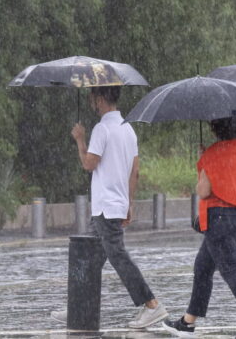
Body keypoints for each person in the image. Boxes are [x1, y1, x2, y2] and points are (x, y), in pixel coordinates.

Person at [51, 86, 168, 329]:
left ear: (101, 99)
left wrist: (80, 139)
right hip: (114, 205)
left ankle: (152, 304)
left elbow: (88, 163)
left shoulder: (102, 128)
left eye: (93, 97)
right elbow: (134, 171)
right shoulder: (128, 129)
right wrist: (129, 203)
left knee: (118, 257)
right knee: (88, 258)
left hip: (105, 206)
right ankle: (77, 306)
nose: (91, 102)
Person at [163, 116, 236, 339]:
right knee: (203, 267)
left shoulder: (213, 153)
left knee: (231, 270)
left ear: (215, 127)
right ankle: (188, 322)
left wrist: (205, 163)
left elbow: (203, 191)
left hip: (220, 219)